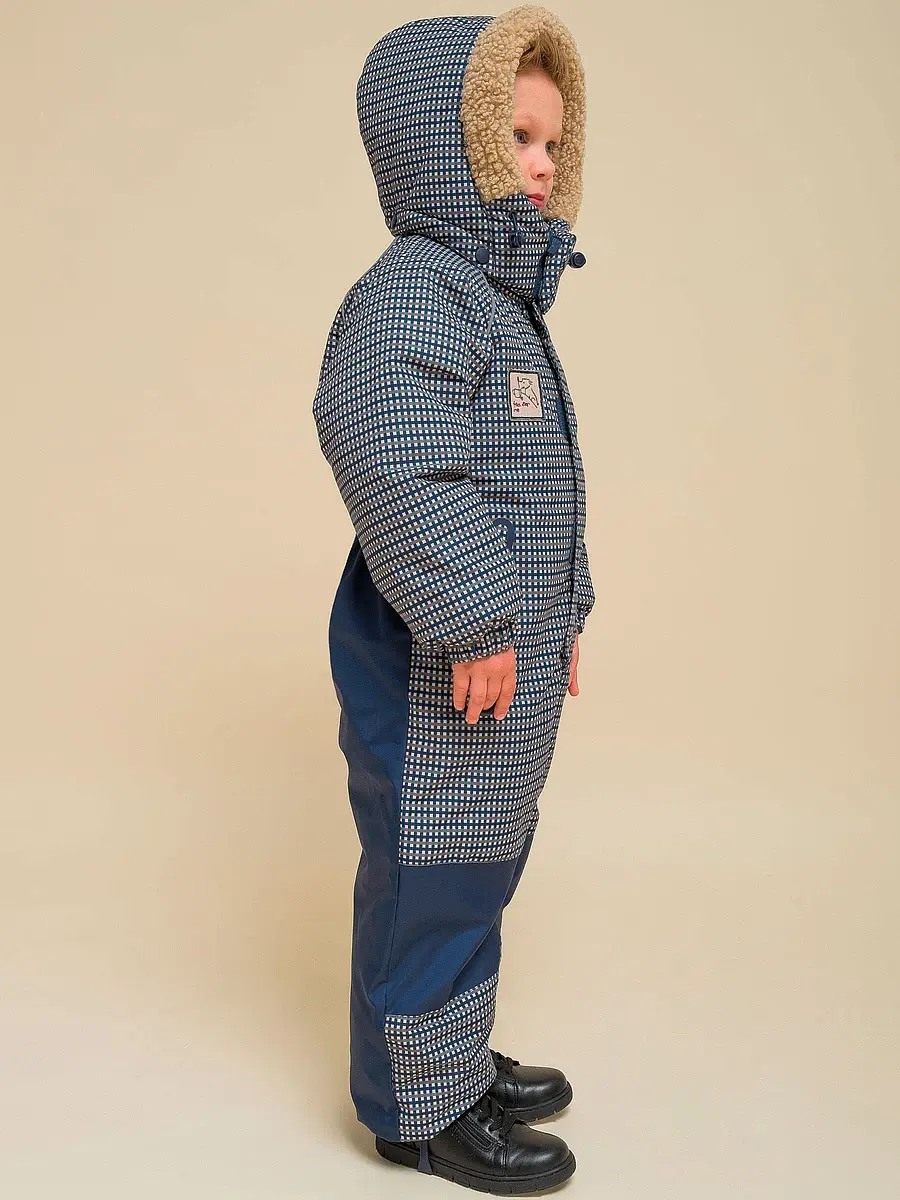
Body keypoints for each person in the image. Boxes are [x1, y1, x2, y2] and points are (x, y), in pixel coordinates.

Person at [312, 5, 595, 1192]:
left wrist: (563, 612)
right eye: (517, 138)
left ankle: (452, 1057)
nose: (542, 165)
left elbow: (538, 487)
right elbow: (395, 455)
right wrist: (476, 618)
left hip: (498, 654)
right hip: (439, 653)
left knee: (482, 855)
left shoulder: (496, 303)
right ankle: (416, 1109)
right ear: (446, 141)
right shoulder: (415, 294)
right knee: (433, 864)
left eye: (554, 144)